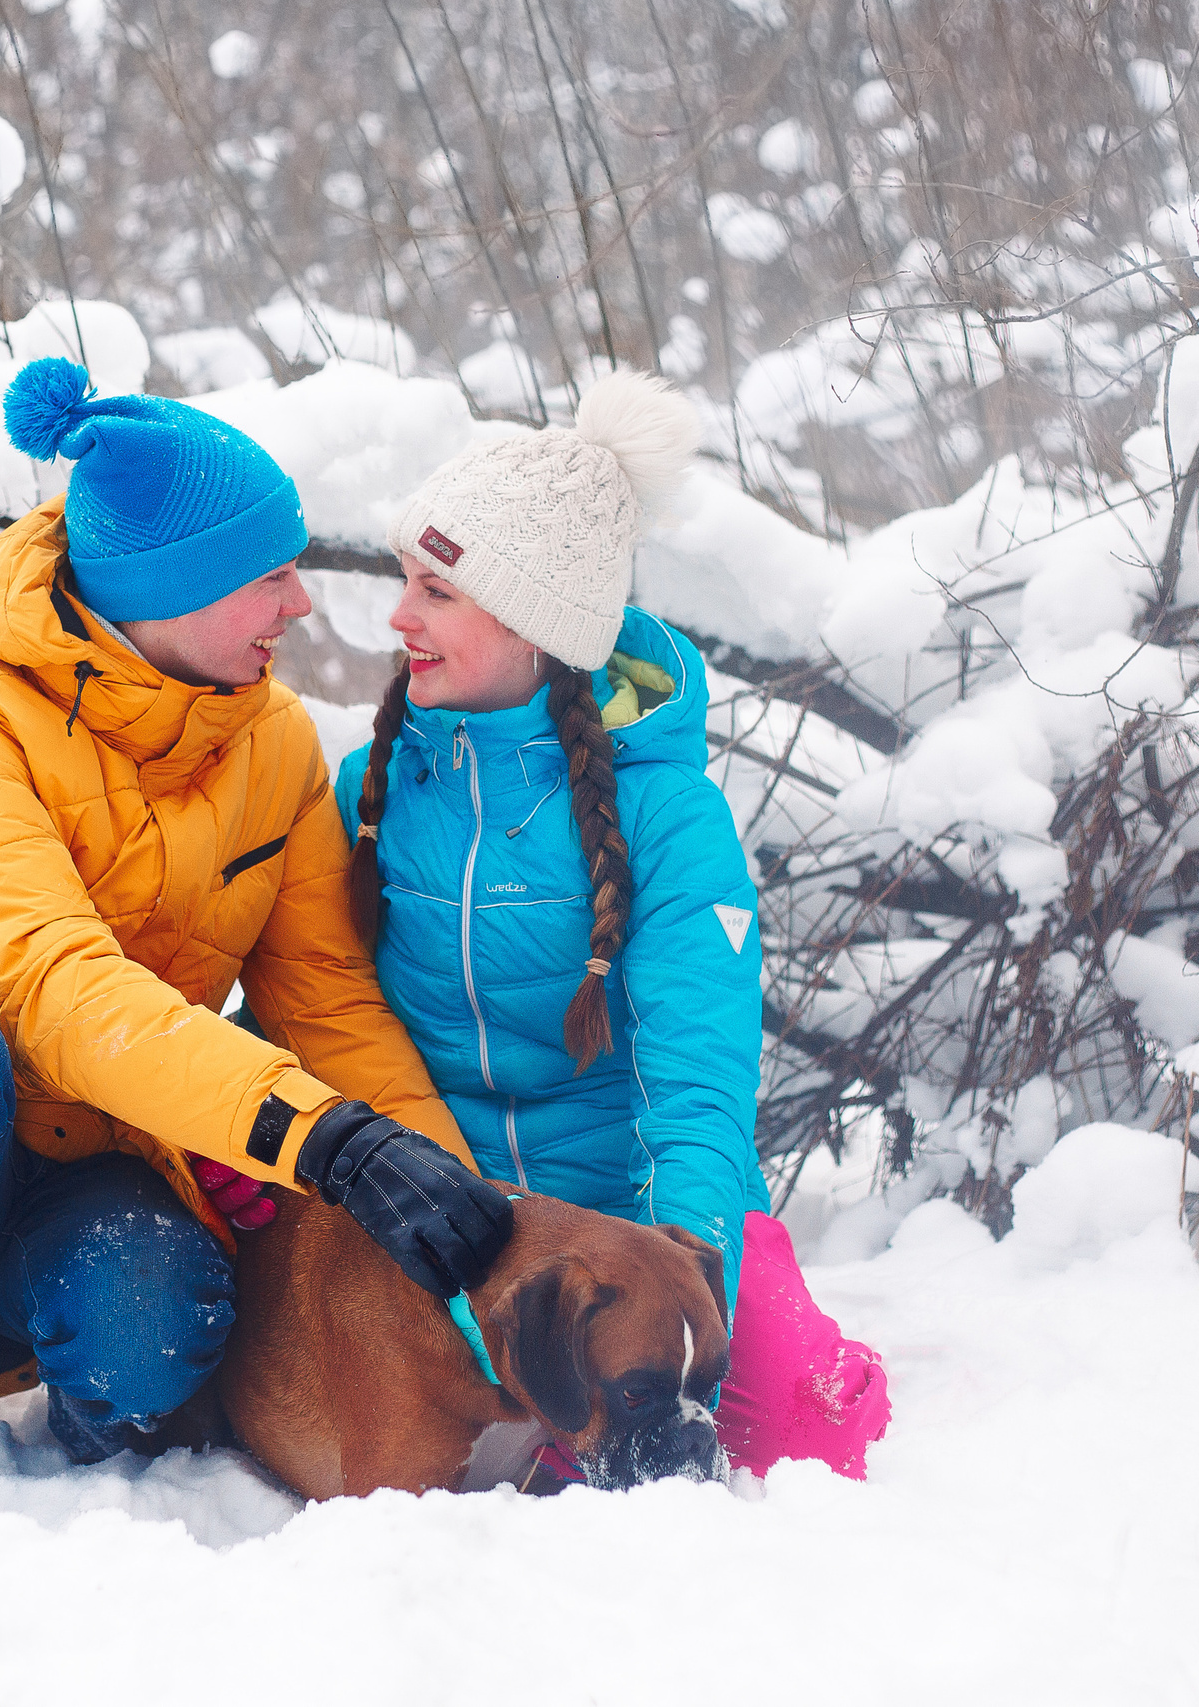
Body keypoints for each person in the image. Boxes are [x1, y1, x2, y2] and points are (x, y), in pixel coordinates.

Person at [0, 356, 513, 1502]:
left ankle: (89, 1451)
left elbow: (326, 1000)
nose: (299, 606)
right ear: (168, 591)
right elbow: (50, 984)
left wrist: (449, 1205)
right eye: (271, 578)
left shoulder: (275, 742)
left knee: (151, 1329)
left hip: (106, 1159)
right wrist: (321, 1137)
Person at [336, 369, 890, 1483]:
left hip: (642, 1223)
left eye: (436, 590)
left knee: (805, 1425)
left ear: (533, 620)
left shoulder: (668, 818)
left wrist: (680, 1283)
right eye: (406, 581)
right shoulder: (374, 786)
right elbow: (320, 1004)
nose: (399, 616)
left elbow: (698, 1082)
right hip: (454, 1217)